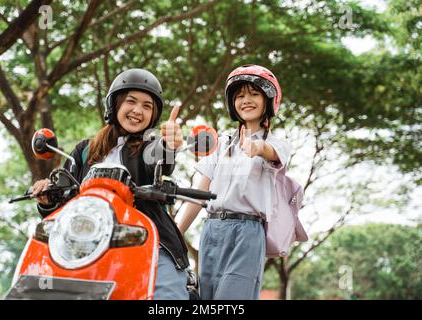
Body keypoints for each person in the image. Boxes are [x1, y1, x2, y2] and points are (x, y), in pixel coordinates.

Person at [32, 68, 190, 300]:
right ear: (114, 105)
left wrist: (168, 144)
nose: (138, 110)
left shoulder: (149, 145)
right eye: (131, 101)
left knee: (169, 298)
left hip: (148, 239)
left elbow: (159, 162)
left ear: (154, 116)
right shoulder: (84, 151)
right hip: (88, 243)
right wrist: (48, 198)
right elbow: (64, 204)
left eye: (147, 106)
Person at [177, 64, 291, 300]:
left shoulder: (279, 143)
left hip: (247, 232)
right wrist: (173, 234)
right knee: (206, 298)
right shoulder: (220, 144)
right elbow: (198, 194)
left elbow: (269, 152)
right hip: (212, 230)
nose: (246, 100)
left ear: (268, 99)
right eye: (239, 95)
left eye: (254, 94)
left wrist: (257, 147)